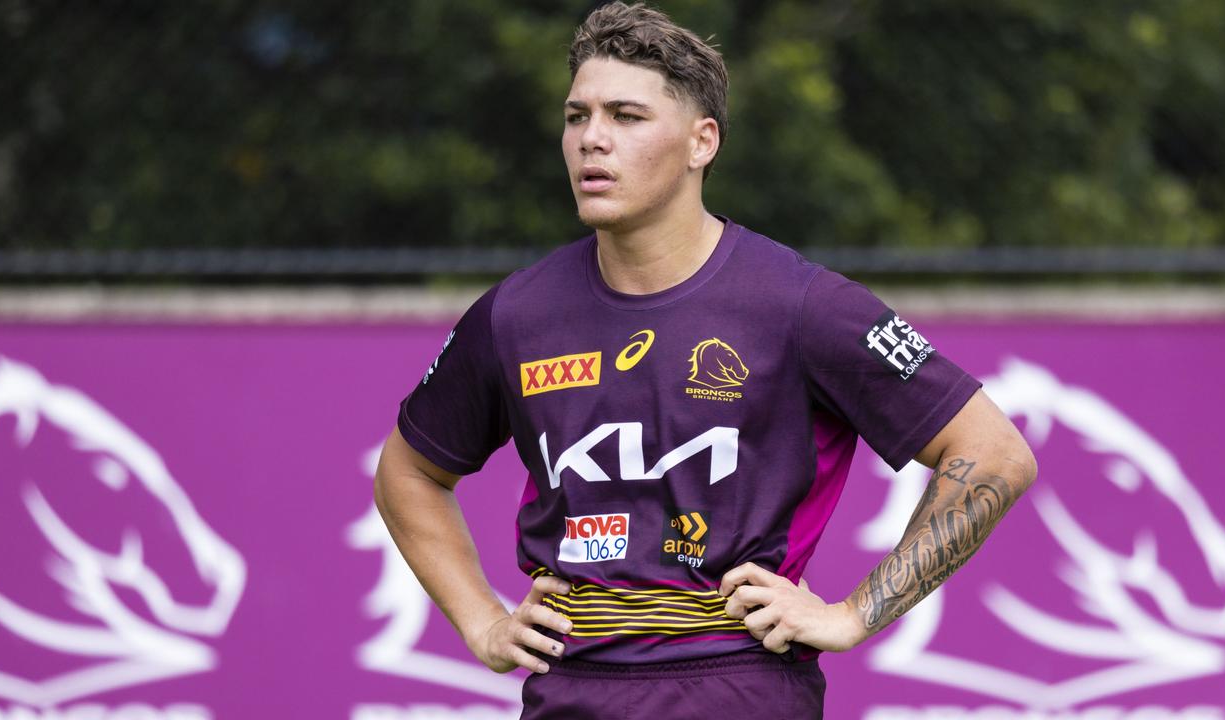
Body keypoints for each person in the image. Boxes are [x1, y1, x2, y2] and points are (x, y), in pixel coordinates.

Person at [373, 2, 1037, 717]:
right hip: (569, 693)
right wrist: (482, 621)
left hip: (740, 687)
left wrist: (854, 614)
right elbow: (408, 471)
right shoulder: (515, 315)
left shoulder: (802, 303)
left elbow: (994, 455)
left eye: (626, 117)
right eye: (577, 117)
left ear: (702, 143)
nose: (593, 140)